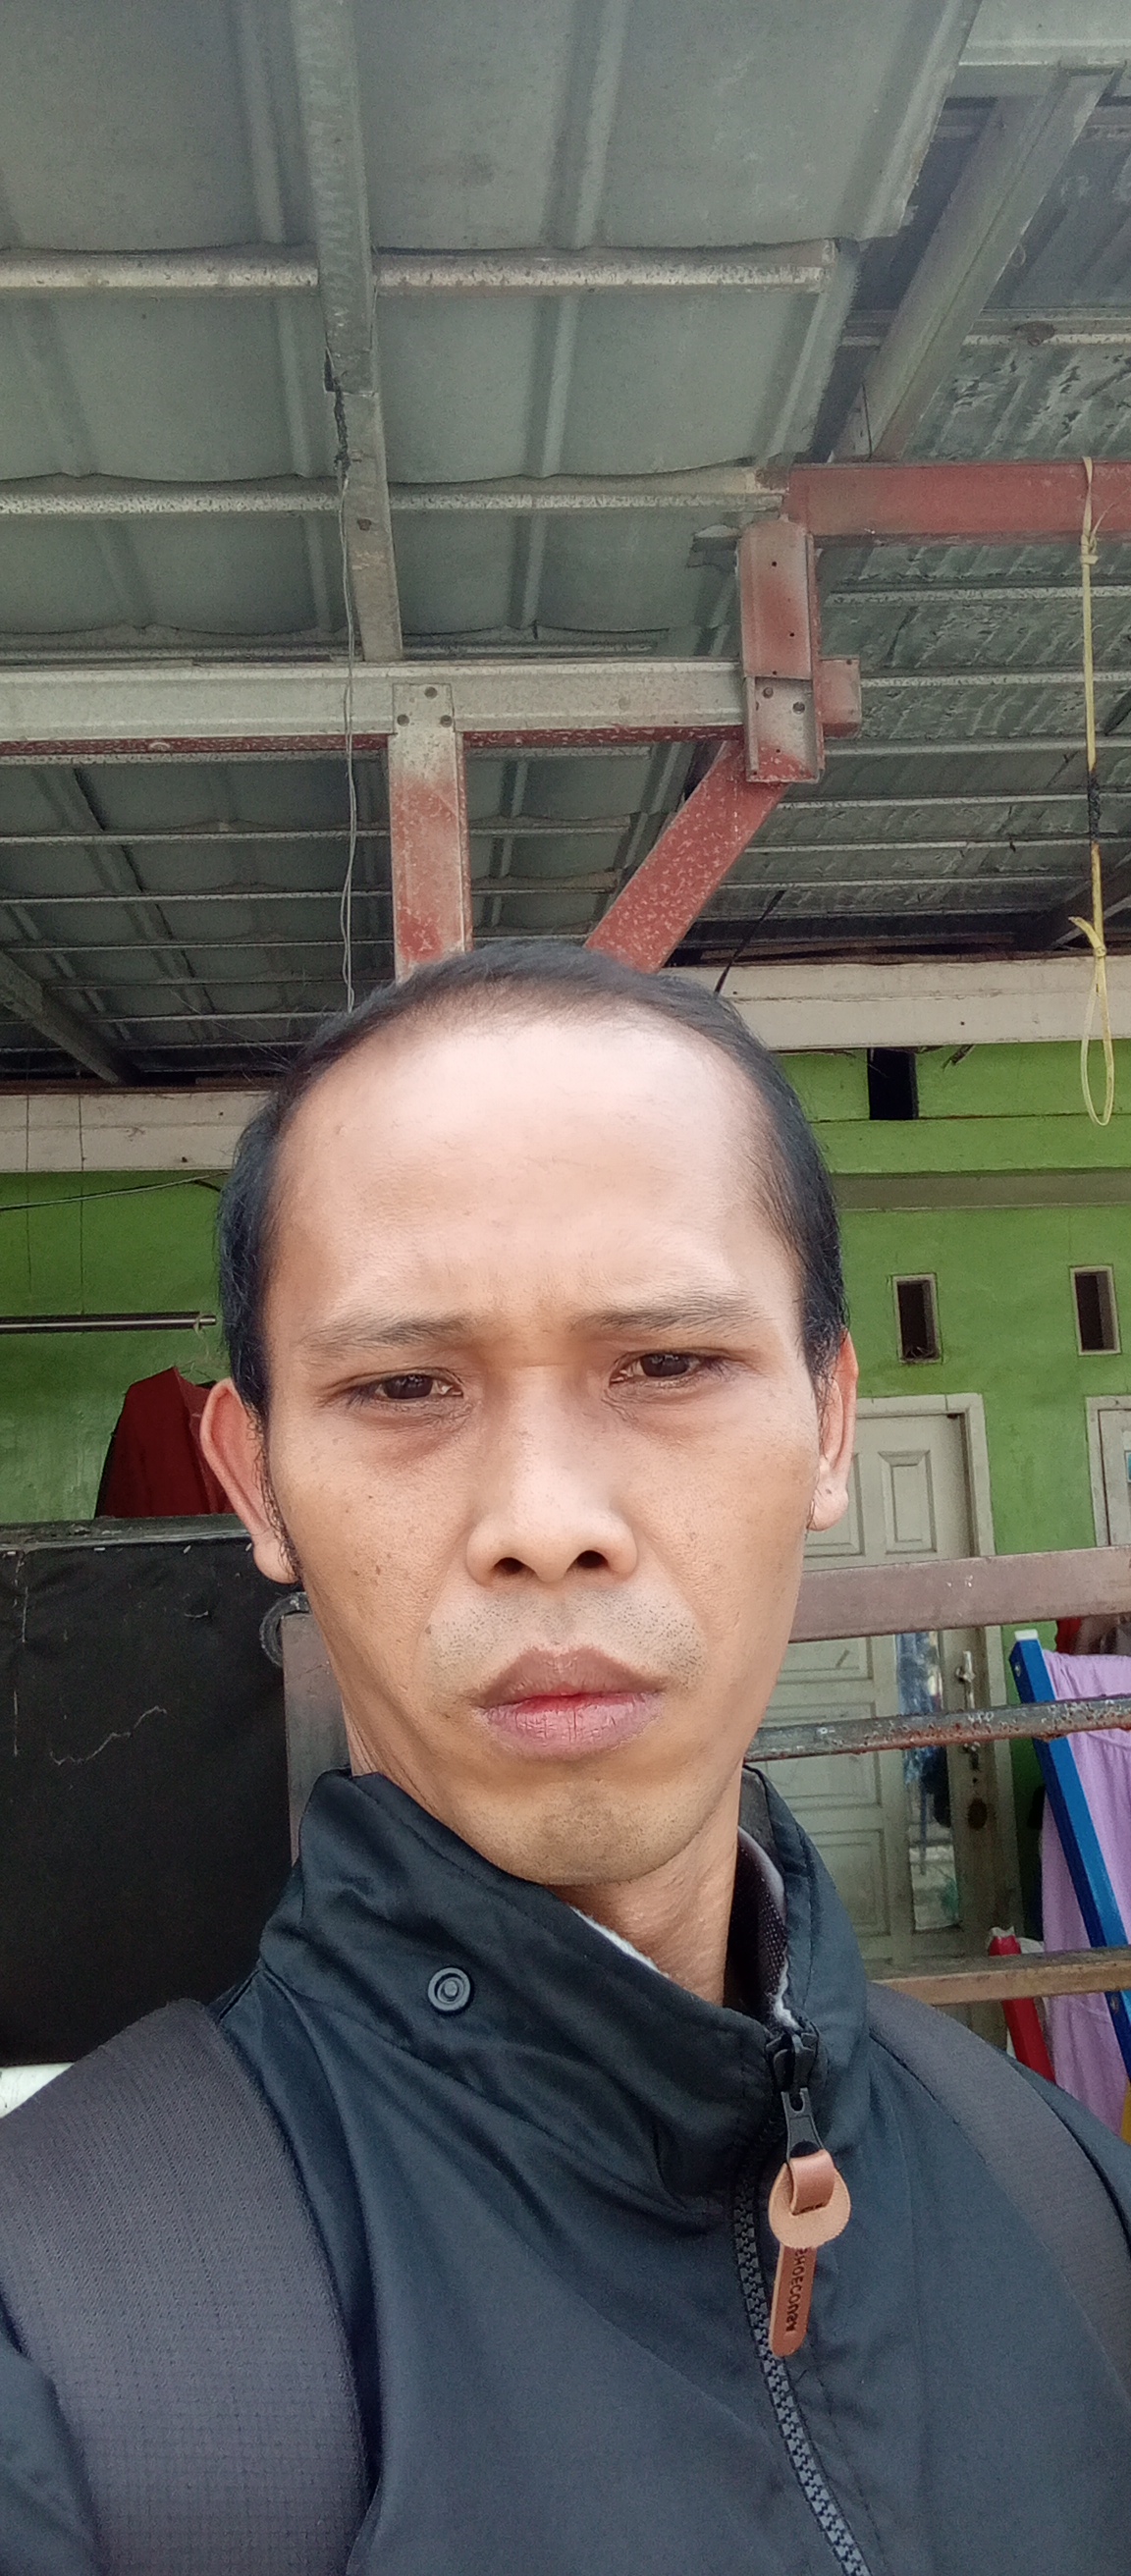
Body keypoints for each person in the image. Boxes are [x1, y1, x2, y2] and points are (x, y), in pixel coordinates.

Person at [2, 941, 1129, 2575]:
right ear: (256, 1485)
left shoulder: (1067, 2207)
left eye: (669, 1364)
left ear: (829, 1426)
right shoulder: (59, 2343)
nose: (545, 1523)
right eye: (402, 1385)